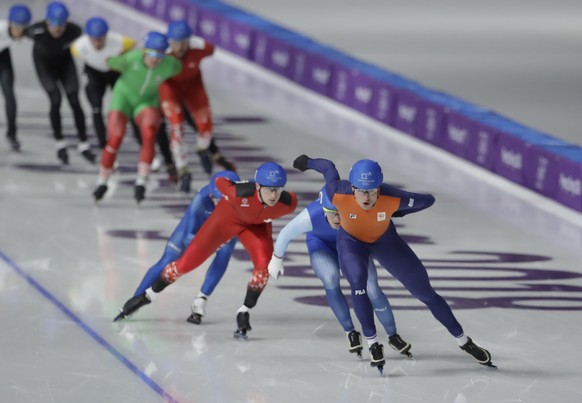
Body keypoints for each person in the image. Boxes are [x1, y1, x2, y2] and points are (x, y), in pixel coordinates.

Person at [292, 155, 494, 371]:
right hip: (351, 243)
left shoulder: (394, 196)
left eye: (371, 191)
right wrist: (307, 162)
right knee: (359, 285)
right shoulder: (338, 191)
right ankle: (373, 343)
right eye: (360, 190)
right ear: (352, 188)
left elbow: (428, 200)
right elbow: (328, 168)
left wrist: (399, 210)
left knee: (426, 294)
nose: (366, 197)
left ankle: (464, 341)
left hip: (386, 243)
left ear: (379, 188)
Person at [113, 161, 298, 340]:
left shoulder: (289, 203)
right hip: (225, 222)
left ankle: (241, 310)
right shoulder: (233, 193)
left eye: (277, 190)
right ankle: (145, 296)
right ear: (257, 186)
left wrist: (278, 256)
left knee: (262, 266)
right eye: (268, 190)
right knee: (183, 263)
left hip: (255, 227)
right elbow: (218, 182)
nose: (273, 196)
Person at [268, 187, 412, 358]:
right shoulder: (311, 215)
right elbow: (285, 233)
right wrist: (276, 259)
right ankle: (350, 331)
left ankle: (392, 334)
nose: (337, 219)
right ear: (323, 211)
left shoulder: (359, 209)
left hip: (351, 245)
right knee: (330, 279)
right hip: (321, 245)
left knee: (372, 287)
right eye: (332, 213)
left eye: (341, 213)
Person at [71, 18, 176, 181]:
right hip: (94, 75)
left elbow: (133, 50)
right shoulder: (79, 47)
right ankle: (105, 151)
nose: (97, 43)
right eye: (94, 39)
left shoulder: (121, 42)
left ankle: (147, 151)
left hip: (114, 74)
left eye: (101, 38)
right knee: (96, 109)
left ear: (107, 36)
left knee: (136, 115)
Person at [133, 169, 240, 325]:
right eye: (219, 200)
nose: (223, 204)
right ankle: (136, 299)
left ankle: (201, 300)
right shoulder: (200, 200)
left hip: (224, 227)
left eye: (227, 199)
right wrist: (209, 245)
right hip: (196, 231)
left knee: (225, 252)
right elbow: (189, 236)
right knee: (168, 259)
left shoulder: (240, 202)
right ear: (211, 195)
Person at [92, 31, 181, 204]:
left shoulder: (171, 65)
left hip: (146, 101)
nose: (156, 59)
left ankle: (142, 180)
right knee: (115, 137)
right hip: (123, 98)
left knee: (148, 134)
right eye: (153, 53)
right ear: (144, 51)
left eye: (161, 54)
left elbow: (181, 72)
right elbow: (108, 61)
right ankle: (102, 180)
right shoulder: (131, 59)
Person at [159, 20, 236, 193]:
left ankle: (202, 148)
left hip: (193, 85)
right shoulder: (162, 51)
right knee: (176, 124)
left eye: (183, 42)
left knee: (206, 124)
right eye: (175, 43)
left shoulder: (202, 48)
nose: (179, 47)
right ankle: (183, 168)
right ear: (169, 41)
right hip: (169, 88)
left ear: (189, 40)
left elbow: (211, 48)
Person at [24, 1, 96, 165]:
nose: (58, 28)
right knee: (55, 99)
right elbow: (14, 32)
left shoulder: (74, 30)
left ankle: (84, 143)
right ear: (47, 21)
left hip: (65, 65)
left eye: (62, 24)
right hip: (44, 67)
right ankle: (60, 142)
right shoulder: (35, 30)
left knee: (74, 100)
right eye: (54, 24)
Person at [1, 4, 31, 151]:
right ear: (9, 24)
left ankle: (12, 134)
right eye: (16, 27)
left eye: (22, 28)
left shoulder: (27, 31)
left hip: (2, 56)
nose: (19, 32)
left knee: (10, 95)